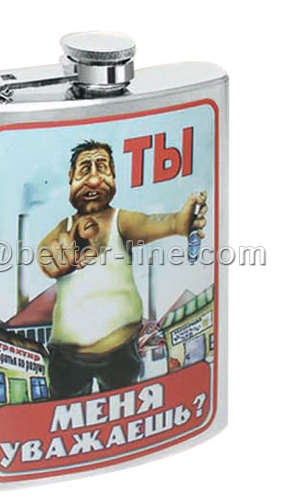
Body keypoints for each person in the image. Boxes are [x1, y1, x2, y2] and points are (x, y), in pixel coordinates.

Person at [37, 140, 207, 399]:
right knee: (60, 413)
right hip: (67, 356)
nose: (94, 180)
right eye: (85, 170)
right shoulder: (66, 227)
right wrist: (54, 259)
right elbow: (46, 253)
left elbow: (150, 223)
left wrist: (177, 223)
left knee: (123, 404)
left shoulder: (121, 220)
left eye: (102, 168)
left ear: (113, 175)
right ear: (71, 177)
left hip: (120, 351)